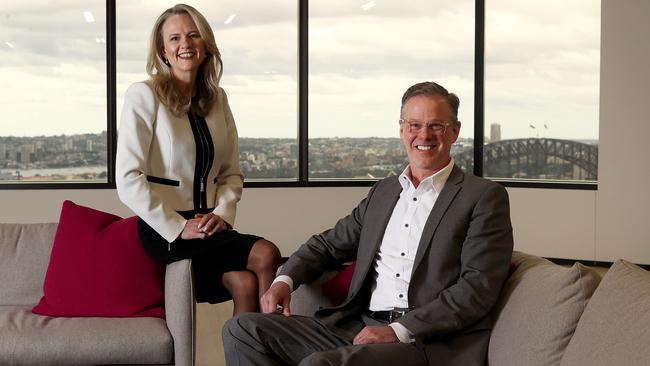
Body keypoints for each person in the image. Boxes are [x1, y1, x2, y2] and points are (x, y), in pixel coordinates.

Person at [222, 81, 514, 365]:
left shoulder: (483, 197)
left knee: (321, 363)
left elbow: (478, 288)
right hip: (358, 328)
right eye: (414, 125)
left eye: (436, 125)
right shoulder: (384, 192)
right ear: (402, 129)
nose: (424, 135)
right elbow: (326, 245)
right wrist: (283, 282)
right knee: (242, 330)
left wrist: (398, 330)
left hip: (425, 342)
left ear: (455, 132)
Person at [115, 4, 280, 315]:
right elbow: (127, 180)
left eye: (193, 35)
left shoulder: (218, 98)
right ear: (163, 50)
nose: (185, 45)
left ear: (206, 45)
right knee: (267, 254)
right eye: (175, 38)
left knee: (244, 284)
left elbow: (231, 173)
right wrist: (179, 227)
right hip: (165, 229)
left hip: (209, 223)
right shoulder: (143, 95)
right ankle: (275, 341)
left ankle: (252, 353)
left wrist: (224, 213)